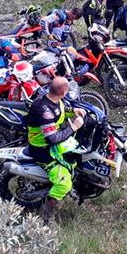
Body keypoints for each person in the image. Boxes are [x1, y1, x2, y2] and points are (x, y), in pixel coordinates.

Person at [26, 77, 86, 224]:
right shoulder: (43, 111)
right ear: (64, 92)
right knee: (64, 184)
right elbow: (52, 138)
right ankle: (46, 219)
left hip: (53, 145)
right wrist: (74, 127)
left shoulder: (51, 99)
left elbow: (59, 110)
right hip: (43, 150)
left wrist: (73, 111)